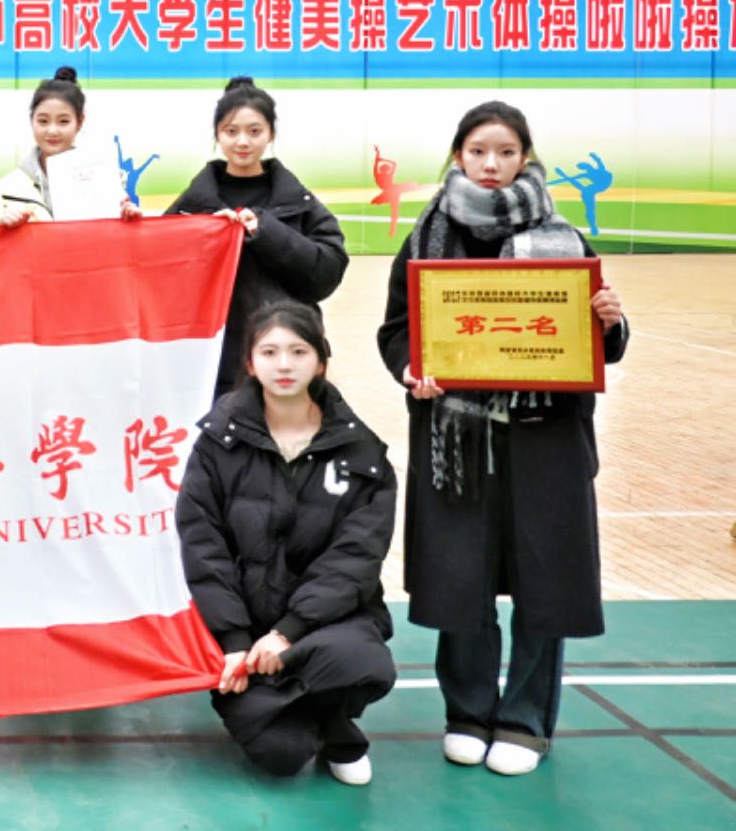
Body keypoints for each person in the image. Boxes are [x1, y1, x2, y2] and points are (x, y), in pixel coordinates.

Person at [376, 101, 629, 777]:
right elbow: (397, 329)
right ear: (459, 155)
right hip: (458, 441)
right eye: (479, 151)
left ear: (526, 157)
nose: (492, 165)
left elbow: (595, 342)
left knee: (546, 582)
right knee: (461, 578)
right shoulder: (426, 235)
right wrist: (411, 369)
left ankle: (525, 721)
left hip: (545, 442)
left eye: (507, 152)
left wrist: (609, 321)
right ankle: (467, 712)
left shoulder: (564, 239)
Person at [177, 302, 397, 785]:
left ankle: (332, 723)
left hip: (325, 624)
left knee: (362, 663)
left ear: (320, 362)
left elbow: (355, 558)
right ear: (249, 362)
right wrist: (235, 640)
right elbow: (203, 547)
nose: (284, 364)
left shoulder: (363, 453)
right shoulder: (216, 444)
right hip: (244, 632)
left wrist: (288, 633)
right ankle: (317, 718)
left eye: (298, 351)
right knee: (280, 754)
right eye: (270, 352)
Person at [167, 77, 348, 397]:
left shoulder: (298, 202)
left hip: (284, 363)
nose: (243, 142)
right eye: (231, 131)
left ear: (271, 134)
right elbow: (158, 274)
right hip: (211, 366)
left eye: (254, 131)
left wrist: (266, 231)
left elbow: (326, 275)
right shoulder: (191, 206)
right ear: (217, 134)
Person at [0, 66, 139, 225]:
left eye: (63, 121)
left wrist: (128, 221)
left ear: (80, 122)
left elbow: (115, 240)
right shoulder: (3, 192)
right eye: (43, 121)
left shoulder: (105, 183)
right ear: (32, 120)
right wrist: (1, 230)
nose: (52, 131)